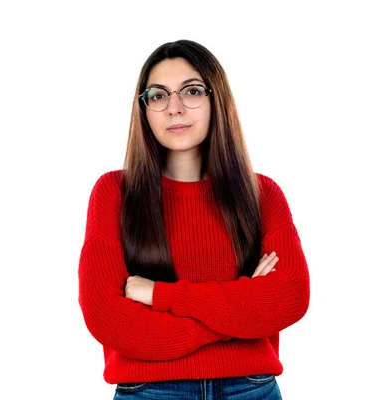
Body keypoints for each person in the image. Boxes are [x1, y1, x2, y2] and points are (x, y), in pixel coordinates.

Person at [78, 39, 310, 399]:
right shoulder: (113, 192)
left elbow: (290, 297)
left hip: (250, 389)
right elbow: (107, 318)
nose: (175, 108)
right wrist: (241, 310)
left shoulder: (262, 194)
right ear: (144, 109)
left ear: (217, 99)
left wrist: (159, 294)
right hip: (151, 392)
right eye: (158, 96)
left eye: (192, 91)